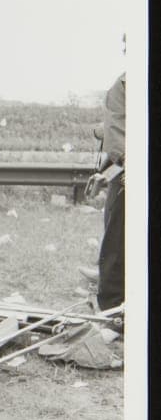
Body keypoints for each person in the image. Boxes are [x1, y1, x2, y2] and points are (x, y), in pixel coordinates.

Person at [96, 72, 125, 312]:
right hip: (129, 169)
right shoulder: (123, 86)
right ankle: (112, 308)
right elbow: (116, 134)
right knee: (117, 235)